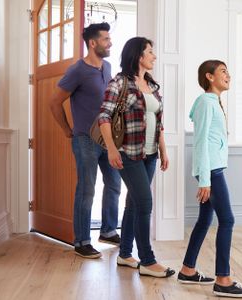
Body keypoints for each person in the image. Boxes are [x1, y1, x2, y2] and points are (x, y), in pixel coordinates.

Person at [97, 37, 174, 278]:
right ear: (139, 56)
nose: (154, 56)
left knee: (133, 203)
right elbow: (104, 117)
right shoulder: (120, 82)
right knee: (144, 203)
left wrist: (163, 149)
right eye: (150, 52)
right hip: (128, 153)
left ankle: (125, 254)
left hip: (149, 153)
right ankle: (148, 261)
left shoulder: (152, 85)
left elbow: (158, 122)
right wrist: (111, 149)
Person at [178, 60, 242, 297]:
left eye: (228, 71)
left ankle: (187, 269)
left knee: (204, 220)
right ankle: (223, 279)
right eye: (223, 71)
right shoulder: (205, 102)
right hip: (211, 172)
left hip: (212, 169)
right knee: (228, 220)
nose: (228, 75)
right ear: (209, 77)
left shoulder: (214, 102)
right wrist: (204, 180)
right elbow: (200, 141)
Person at [49, 22, 121, 259]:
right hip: (85, 140)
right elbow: (54, 102)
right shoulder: (77, 70)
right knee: (87, 189)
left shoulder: (108, 66)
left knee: (114, 185)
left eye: (110, 39)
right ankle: (81, 241)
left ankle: (109, 230)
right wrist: (67, 129)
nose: (110, 43)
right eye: (105, 39)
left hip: (108, 139)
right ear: (92, 43)